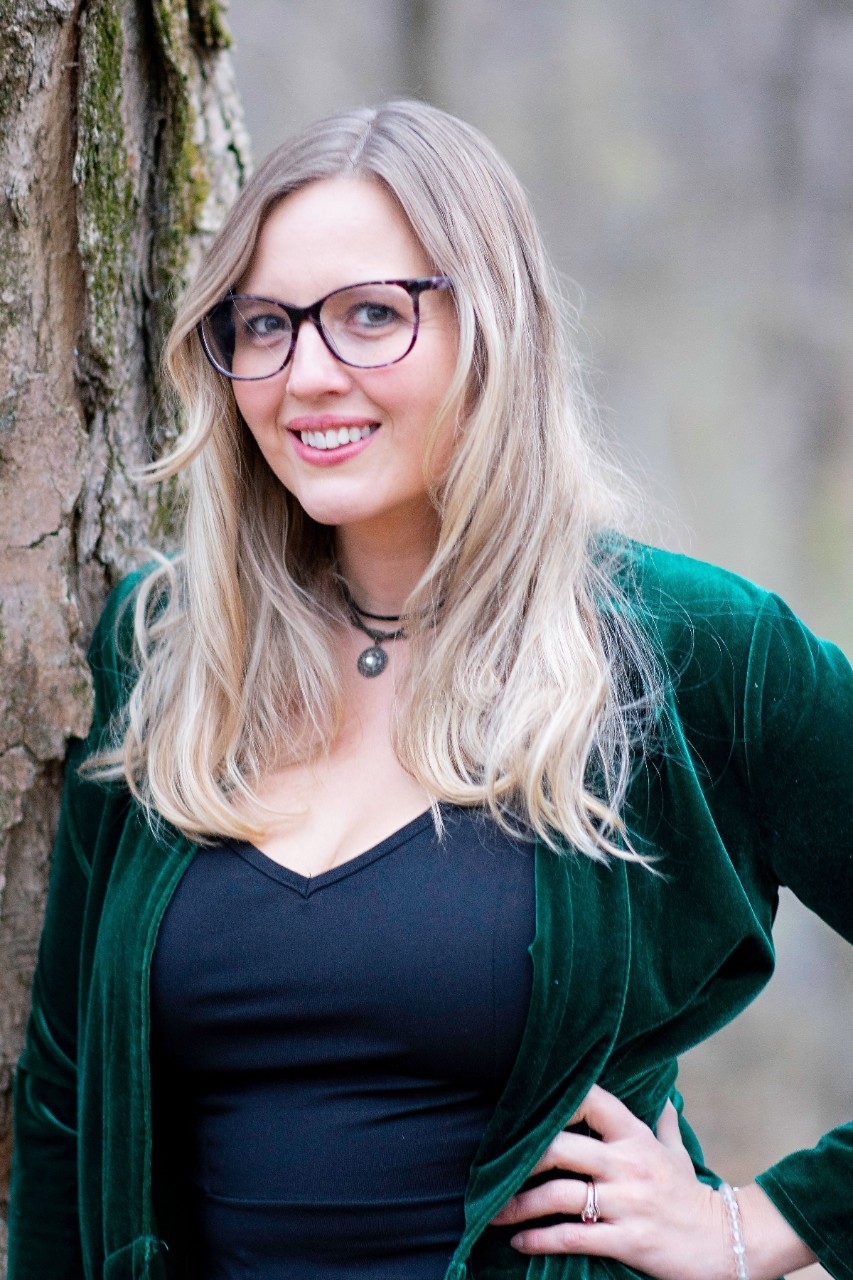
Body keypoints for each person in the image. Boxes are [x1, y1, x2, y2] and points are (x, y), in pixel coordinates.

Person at [8, 99, 852, 1280]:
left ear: (493, 327)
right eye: (263, 325)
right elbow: (66, 1099)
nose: (305, 376)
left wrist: (759, 1224)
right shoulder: (167, 653)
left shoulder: (684, 650)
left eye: (369, 315)